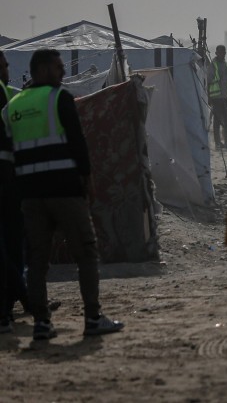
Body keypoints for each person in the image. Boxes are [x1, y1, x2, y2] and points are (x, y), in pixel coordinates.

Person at [1, 49, 125, 341]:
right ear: (43, 70)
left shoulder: (11, 107)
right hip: (65, 191)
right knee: (86, 252)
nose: (63, 72)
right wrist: (88, 181)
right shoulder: (59, 98)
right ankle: (92, 318)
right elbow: (78, 144)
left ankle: (42, 323)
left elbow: (8, 153)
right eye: (58, 67)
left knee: (37, 261)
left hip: (30, 196)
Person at [0, 51, 31, 333]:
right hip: (7, 175)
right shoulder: (5, 94)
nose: (7, 69)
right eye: (4, 65)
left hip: (9, 175)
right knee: (11, 243)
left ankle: (14, 302)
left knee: (12, 242)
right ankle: (21, 298)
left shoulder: (8, 93)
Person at [208, 45, 227, 149]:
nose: (222, 54)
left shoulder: (226, 65)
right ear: (216, 53)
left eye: (224, 52)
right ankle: (218, 143)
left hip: (224, 97)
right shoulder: (213, 65)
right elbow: (208, 82)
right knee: (217, 121)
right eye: (220, 52)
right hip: (216, 97)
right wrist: (209, 97)